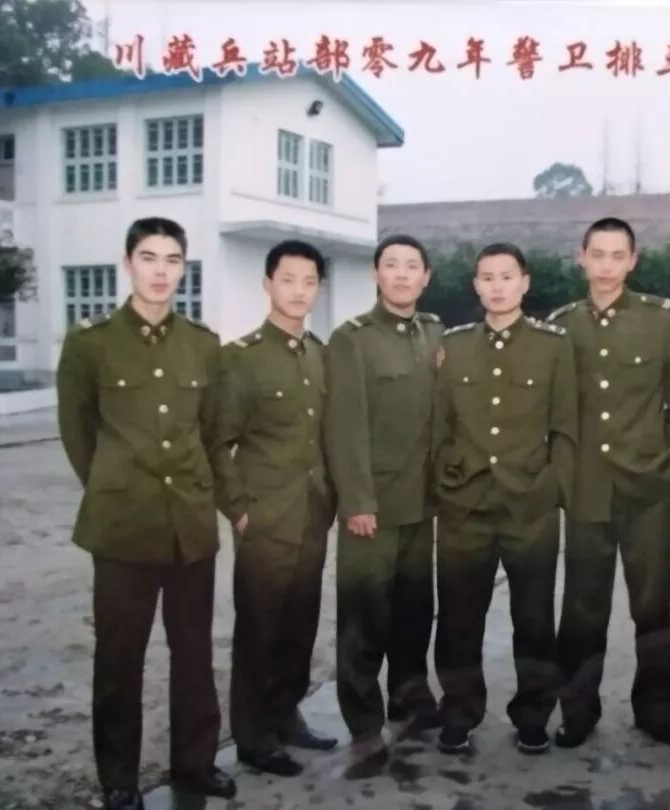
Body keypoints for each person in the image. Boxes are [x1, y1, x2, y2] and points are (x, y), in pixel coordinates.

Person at [56, 217, 236, 810]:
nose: (161, 271)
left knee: (193, 653)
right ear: (128, 263)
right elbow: (79, 433)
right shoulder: (91, 343)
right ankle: (119, 779)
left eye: (172, 260)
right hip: (122, 528)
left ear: (184, 268)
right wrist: (114, 488)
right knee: (119, 658)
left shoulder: (203, 345)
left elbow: (211, 432)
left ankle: (195, 763)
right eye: (149, 258)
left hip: (189, 526)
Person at [431, 243, 577, 756]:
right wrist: (446, 485)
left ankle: (533, 715)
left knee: (533, 620)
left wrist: (551, 488)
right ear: (476, 285)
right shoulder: (454, 345)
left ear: (525, 283)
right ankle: (459, 711)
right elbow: (440, 425)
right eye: (487, 277)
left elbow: (565, 427)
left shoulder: (553, 346)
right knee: (458, 618)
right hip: (465, 505)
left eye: (506, 276)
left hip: (529, 507)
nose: (497, 286)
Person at [550, 217, 670, 748]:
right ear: (581, 258)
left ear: (633, 261)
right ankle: (577, 711)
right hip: (587, 488)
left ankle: (655, 709)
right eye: (597, 254)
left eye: (617, 255)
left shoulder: (664, 319)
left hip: (649, 487)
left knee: (651, 606)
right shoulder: (561, 325)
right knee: (582, 608)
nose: (606, 266)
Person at [211, 240, 338, 777]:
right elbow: (217, 442)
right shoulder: (241, 358)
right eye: (288, 280)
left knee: (299, 626)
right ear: (268, 284)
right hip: (264, 518)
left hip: (312, 514)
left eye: (309, 282)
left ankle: (287, 717)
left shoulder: (319, 354)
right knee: (259, 630)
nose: (298, 291)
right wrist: (239, 510)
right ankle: (253, 737)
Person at [323, 234, 444, 776]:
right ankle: (364, 722)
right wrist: (357, 501)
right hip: (372, 507)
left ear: (426, 277)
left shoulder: (435, 332)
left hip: (421, 503)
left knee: (414, 614)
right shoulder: (352, 339)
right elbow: (344, 427)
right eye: (391, 265)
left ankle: (410, 699)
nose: (401, 274)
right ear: (376, 274)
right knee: (364, 620)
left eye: (411, 266)